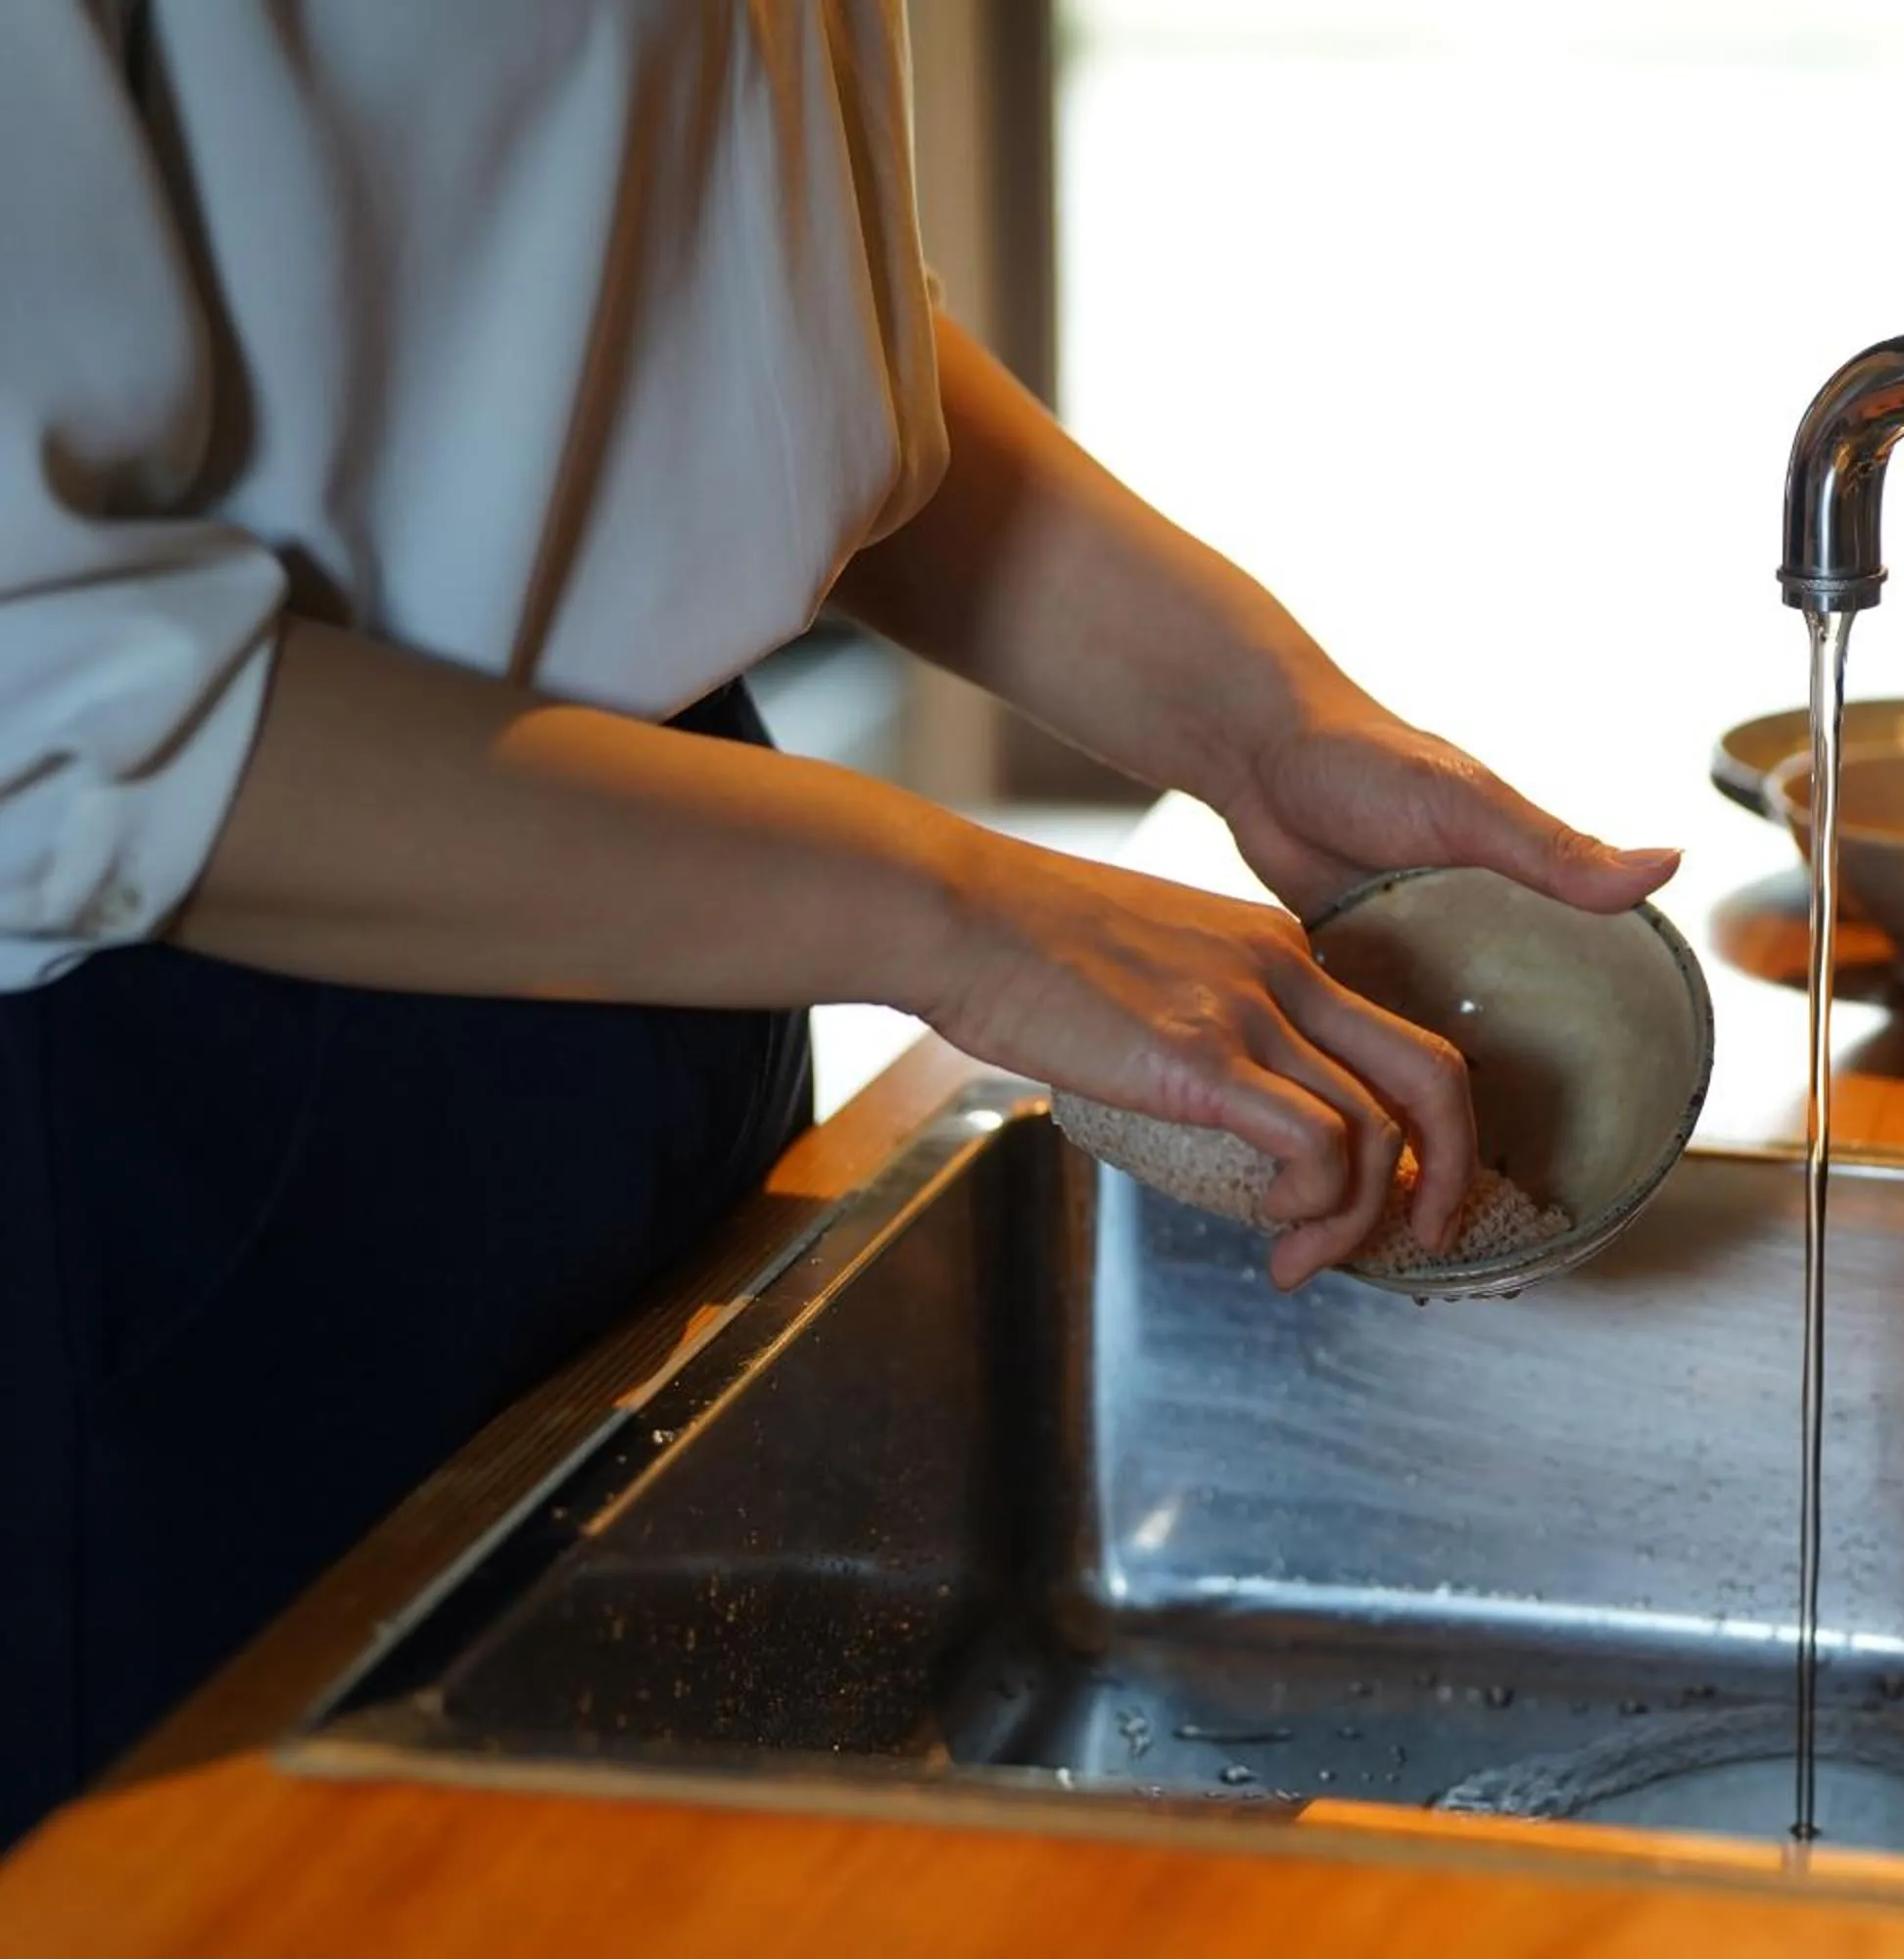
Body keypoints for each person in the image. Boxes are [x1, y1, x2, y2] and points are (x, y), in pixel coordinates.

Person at [0, 2, 1677, 1842]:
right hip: (184, 1062)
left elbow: (699, 320)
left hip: (685, 908)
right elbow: (45, 702)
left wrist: (1258, 723)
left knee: (635, 1833)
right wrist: (970, 914)